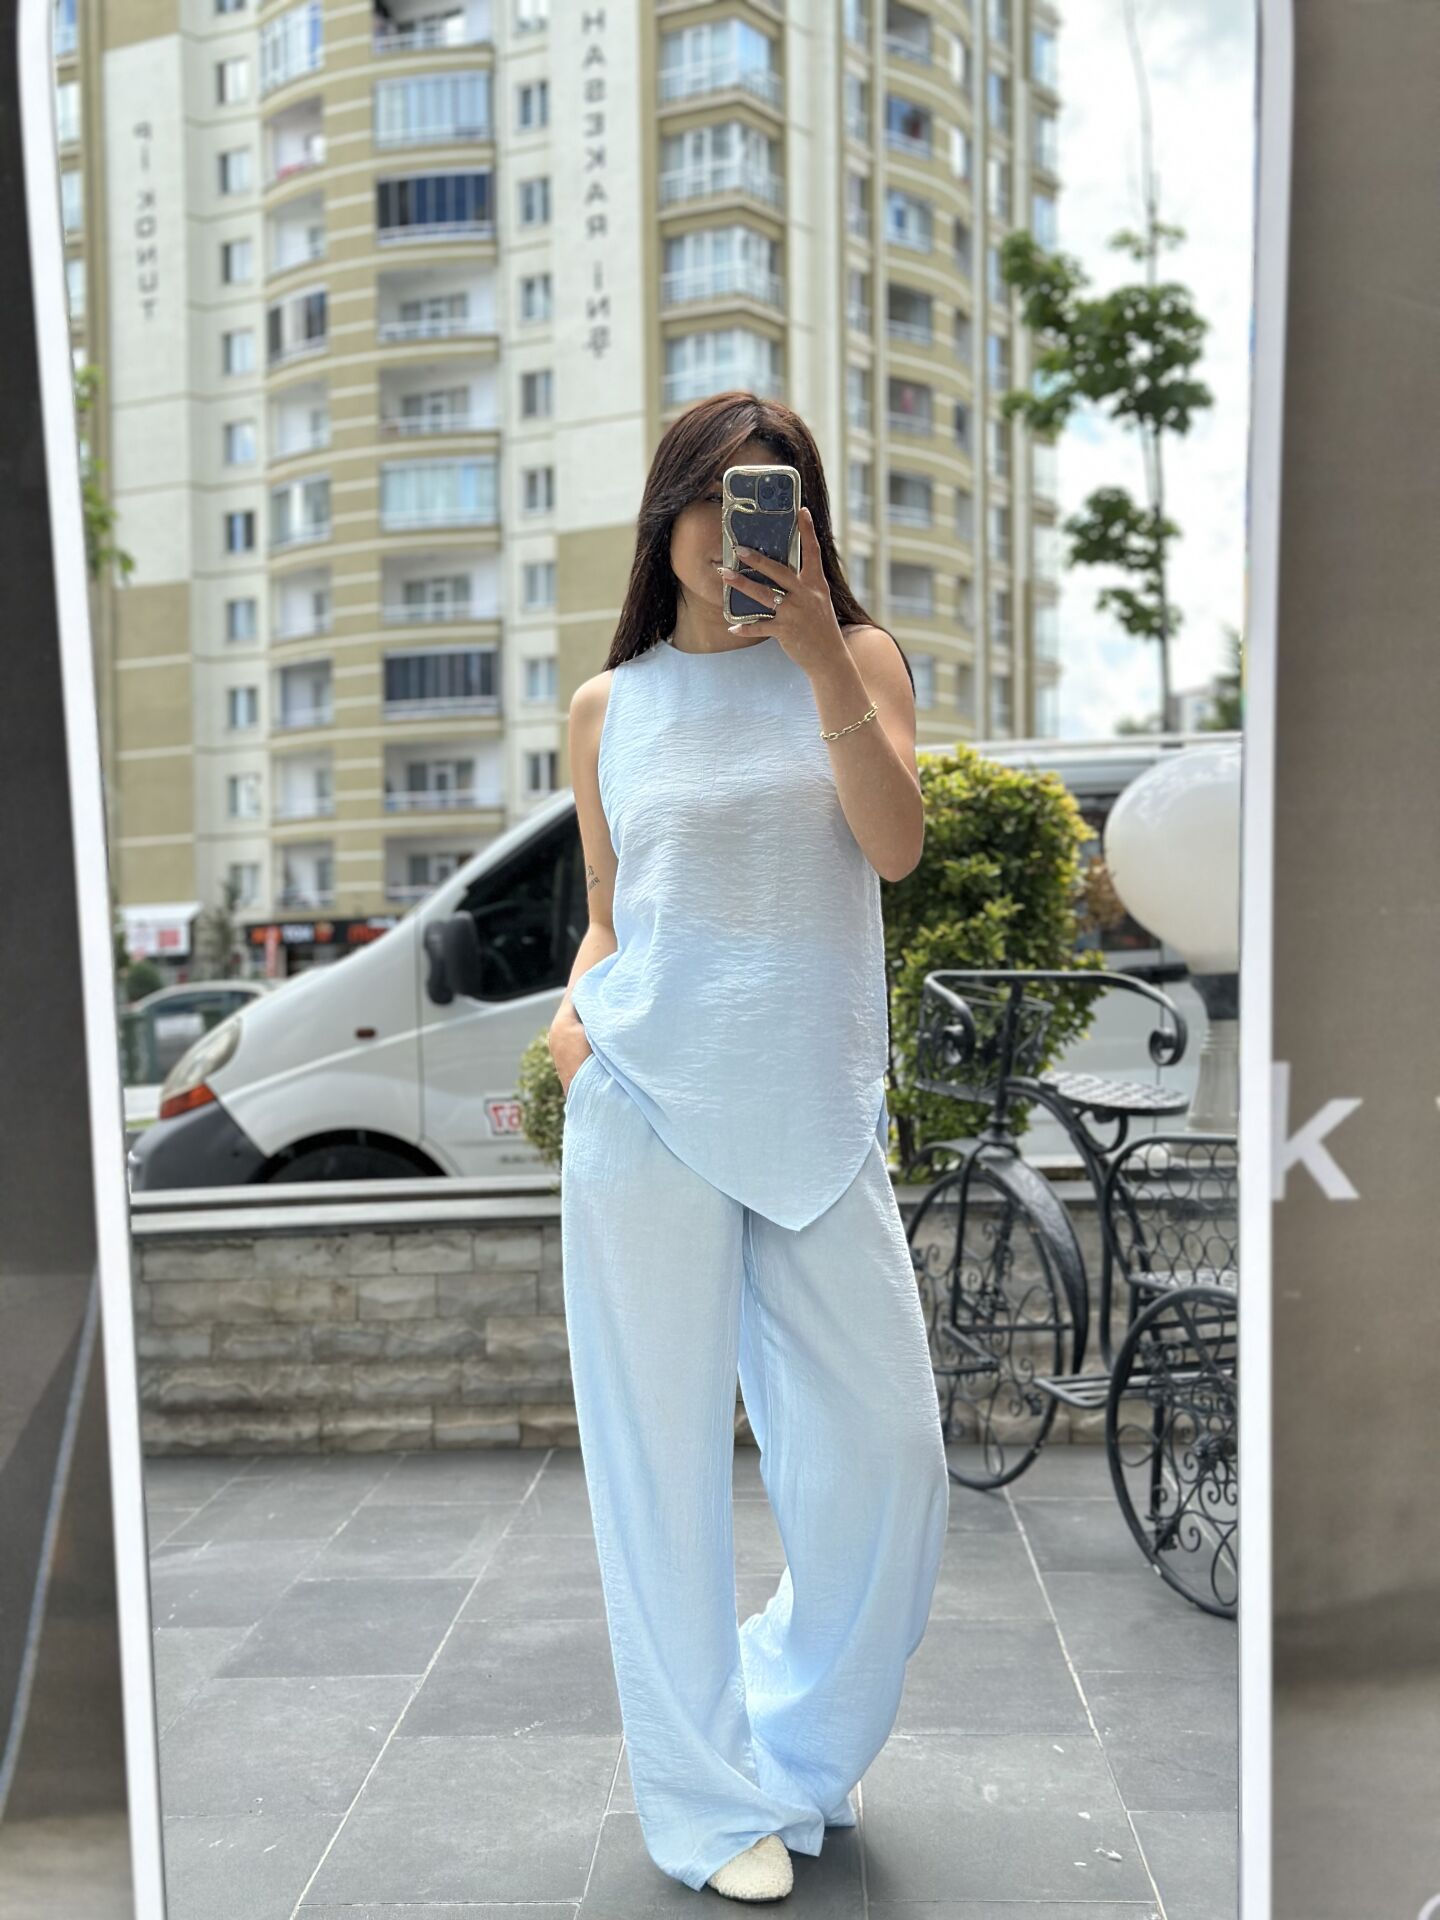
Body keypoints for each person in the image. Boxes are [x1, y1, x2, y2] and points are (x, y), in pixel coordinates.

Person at [550, 393, 950, 1902]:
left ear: (808, 522)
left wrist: (815, 658)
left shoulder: (857, 661)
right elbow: (609, 911)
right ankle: (708, 1807)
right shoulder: (610, 707)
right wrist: (578, 1025)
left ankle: (795, 1744)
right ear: (670, 519)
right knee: (656, 1476)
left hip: (815, 1113)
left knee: (892, 1461)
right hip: (645, 1107)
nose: (739, 530)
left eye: (769, 500)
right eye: (714, 500)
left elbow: (894, 847)